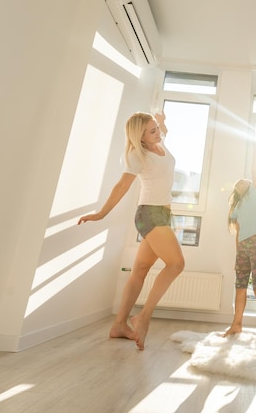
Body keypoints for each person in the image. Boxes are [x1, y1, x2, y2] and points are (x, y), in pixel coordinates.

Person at [78, 111, 185, 350]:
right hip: (149, 214)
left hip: (163, 215)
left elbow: (163, 131)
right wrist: (101, 214)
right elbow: (122, 186)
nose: (158, 132)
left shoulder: (159, 143)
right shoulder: (138, 155)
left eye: (156, 128)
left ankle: (118, 325)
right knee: (177, 264)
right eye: (152, 130)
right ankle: (144, 317)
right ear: (140, 137)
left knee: (140, 270)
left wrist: (162, 121)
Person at [223, 131, 256, 350]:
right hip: (242, 247)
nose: (244, 181)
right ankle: (237, 324)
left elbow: (255, 168)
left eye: (246, 180)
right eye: (239, 182)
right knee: (240, 286)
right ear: (237, 190)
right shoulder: (237, 207)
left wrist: (255, 145)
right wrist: (237, 254)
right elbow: (238, 231)